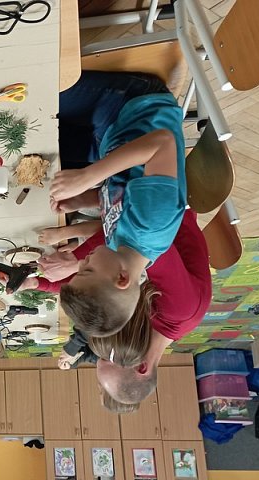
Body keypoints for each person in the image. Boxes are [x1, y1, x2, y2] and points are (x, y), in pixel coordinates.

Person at [22, 209, 212, 409]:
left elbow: (97, 287)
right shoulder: (180, 310)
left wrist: (37, 284)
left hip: (128, 213)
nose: (108, 348)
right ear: (141, 367)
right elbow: (138, 237)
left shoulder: (141, 331)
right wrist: (76, 261)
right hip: (166, 206)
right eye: (109, 357)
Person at [53, 71, 186, 337]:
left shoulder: (118, 248)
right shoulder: (151, 226)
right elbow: (162, 143)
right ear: (122, 278)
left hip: (109, 139)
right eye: (88, 270)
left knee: (40, 139)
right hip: (136, 106)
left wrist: (81, 200)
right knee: (38, 94)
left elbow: (119, 194)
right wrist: (87, 177)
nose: (82, 261)